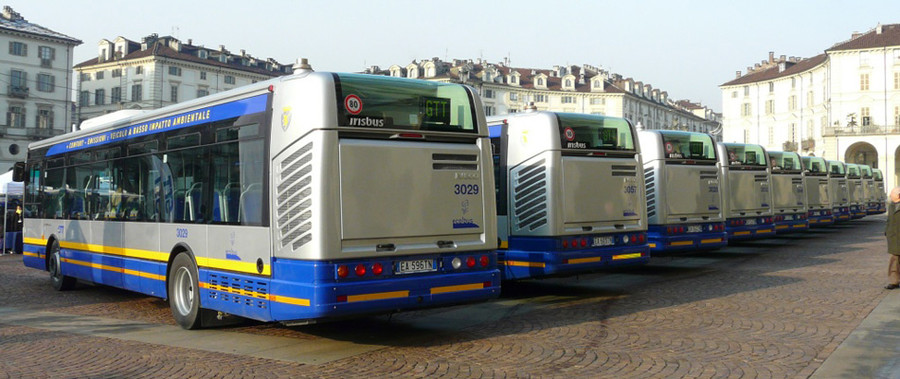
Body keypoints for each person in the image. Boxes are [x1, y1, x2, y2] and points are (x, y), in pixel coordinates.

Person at [884, 186, 900, 289]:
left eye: (892, 193)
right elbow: (889, 220)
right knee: (894, 260)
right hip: (894, 237)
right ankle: (894, 281)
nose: (890, 195)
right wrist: (887, 231)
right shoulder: (891, 205)